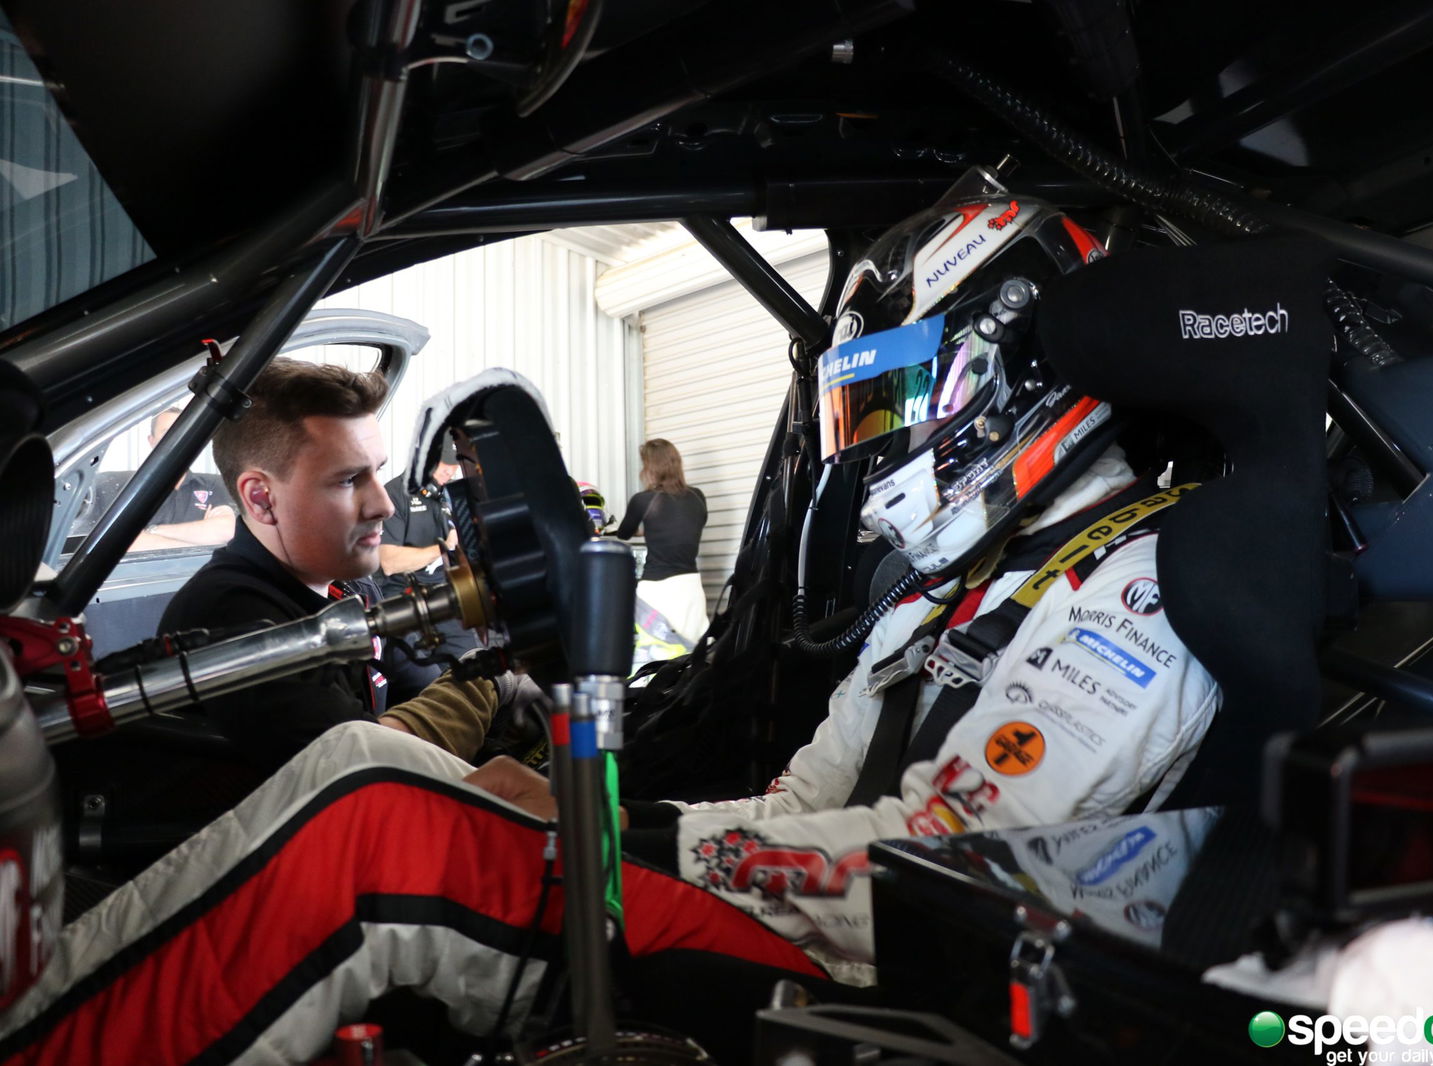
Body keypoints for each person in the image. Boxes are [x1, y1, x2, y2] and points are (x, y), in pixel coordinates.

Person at [0, 184, 1219, 1063]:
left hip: (891, 980)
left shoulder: (1144, 587)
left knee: (382, 831)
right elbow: (801, 806)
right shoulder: (945, 593)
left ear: (1003, 384)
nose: (881, 439)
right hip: (797, 915)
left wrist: (624, 847)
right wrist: (607, 817)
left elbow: (943, 872)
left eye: (899, 395)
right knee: (366, 758)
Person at [159, 359, 509, 774]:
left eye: (377, 472)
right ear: (260, 499)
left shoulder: (350, 585)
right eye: (347, 480)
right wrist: (491, 685)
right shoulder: (229, 619)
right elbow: (364, 768)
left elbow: (420, 683)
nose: (384, 505)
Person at [374, 435, 481, 703]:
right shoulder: (395, 495)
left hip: (446, 598)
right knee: (427, 684)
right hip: (402, 604)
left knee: (477, 667)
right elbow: (388, 561)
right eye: (443, 463)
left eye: (453, 463)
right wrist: (444, 547)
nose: (450, 469)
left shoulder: (448, 495)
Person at [91, 407, 238, 552]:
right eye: (167, 432)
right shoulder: (124, 487)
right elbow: (124, 543)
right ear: (152, 441)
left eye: (183, 432)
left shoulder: (212, 484)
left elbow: (226, 531)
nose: (177, 438)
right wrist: (201, 540)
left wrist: (153, 531)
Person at [614, 439, 708, 643]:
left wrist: (645, 531)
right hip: (691, 588)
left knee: (654, 661)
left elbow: (623, 533)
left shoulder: (643, 500)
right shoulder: (698, 496)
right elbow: (688, 528)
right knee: (693, 658)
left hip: (657, 591)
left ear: (651, 468)